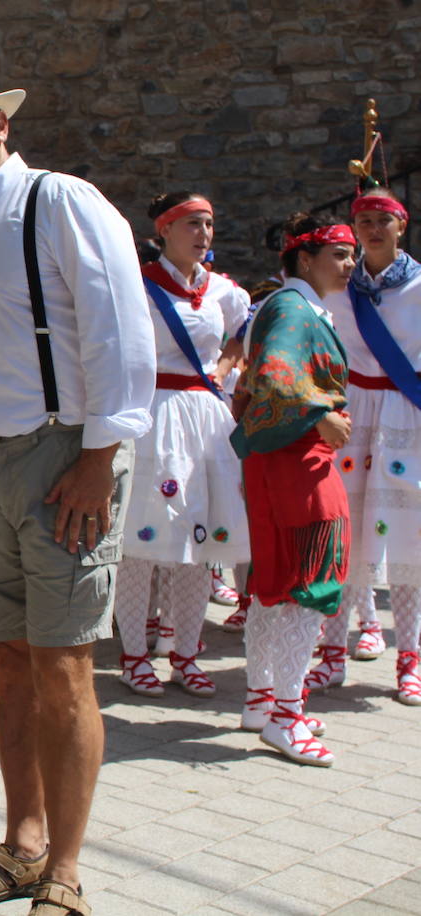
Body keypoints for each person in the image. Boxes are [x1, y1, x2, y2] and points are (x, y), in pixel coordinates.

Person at [0, 59, 155, 915]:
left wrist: (98, 457)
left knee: (66, 669)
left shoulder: (61, 201)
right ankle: (22, 844)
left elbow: (120, 330)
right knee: (9, 665)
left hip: (62, 456)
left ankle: (68, 871)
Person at [112, 192, 249, 699]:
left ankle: (185, 655)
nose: (203, 233)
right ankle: (133, 655)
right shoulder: (141, 286)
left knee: (203, 546)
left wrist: (224, 370)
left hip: (206, 419)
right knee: (141, 546)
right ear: (165, 230)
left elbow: (247, 330)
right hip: (155, 415)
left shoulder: (221, 291)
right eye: (192, 223)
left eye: (209, 224)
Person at [235, 212, 354, 765]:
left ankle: (263, 701)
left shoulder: (287, 305)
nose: (350, 264)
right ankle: (286, 714)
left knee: (273, 582)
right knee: (310, 586)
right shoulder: (291, 307)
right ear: (305, 259)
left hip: (274, 461)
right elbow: (277, 376)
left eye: (352, 253)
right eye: (340, 254)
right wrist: (320, 414)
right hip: (298, 459)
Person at [314, 188, 420, 704]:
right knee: (345, 533)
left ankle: (410, 661)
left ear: (402, 226)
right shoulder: (336, 288)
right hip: (353, 413)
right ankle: (333, 654)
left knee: (409, 541)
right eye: (364, 221)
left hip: (404, 413)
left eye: (384, 220)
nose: (373, 229)